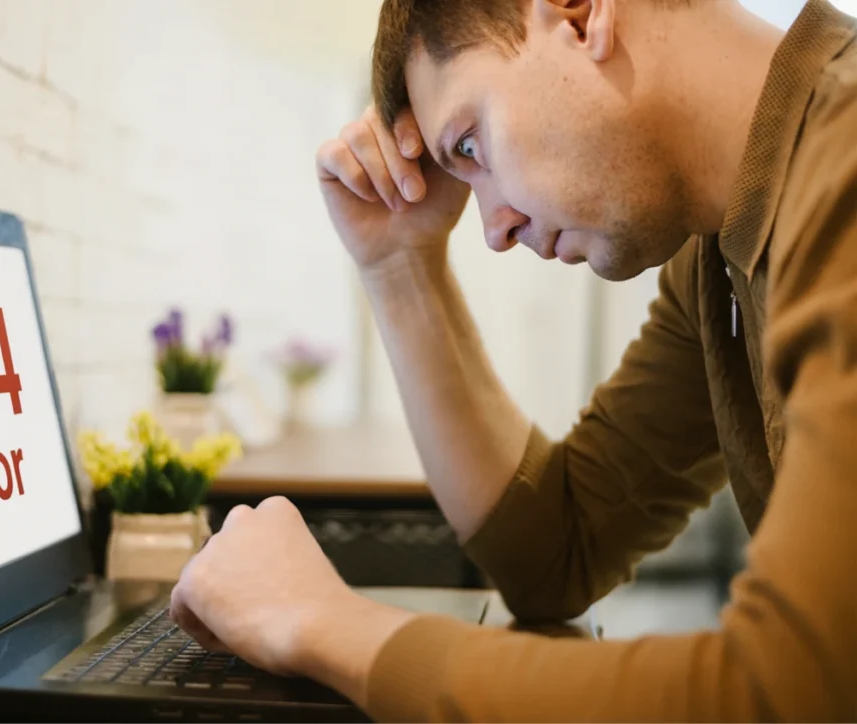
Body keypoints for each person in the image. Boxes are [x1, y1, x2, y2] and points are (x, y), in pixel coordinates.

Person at [169, 0, 857, 720]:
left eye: (468, 145)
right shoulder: (717, 264)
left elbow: (790, 690)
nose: (493, 229)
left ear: (579, 13)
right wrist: (400, 265)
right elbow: (559, 549)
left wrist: (316, 624)